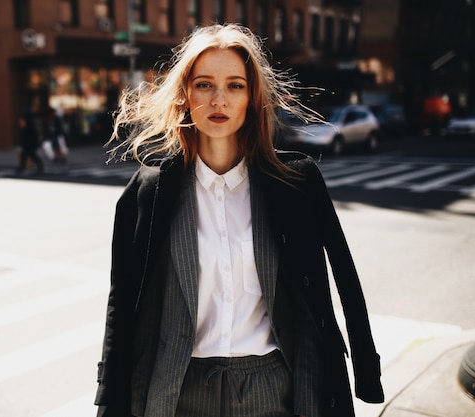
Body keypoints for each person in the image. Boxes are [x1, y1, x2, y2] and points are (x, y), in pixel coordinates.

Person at [95, 24, 384, 417]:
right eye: (203, 85)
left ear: (252, 97)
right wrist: (109, 399)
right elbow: (122, 304)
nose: (219, 99)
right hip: (179, 390)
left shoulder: (295, 183)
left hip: (272, 387)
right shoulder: (149, 191)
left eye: (234, 85)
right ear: (184, 95)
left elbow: (345, 279)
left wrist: (365, 370)